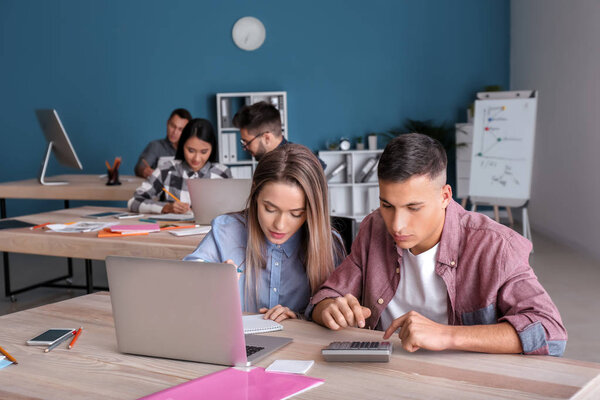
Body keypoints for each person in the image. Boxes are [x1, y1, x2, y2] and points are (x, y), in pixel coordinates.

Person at [309, 133, 567, 356]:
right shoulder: (373, 227)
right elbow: (326, 295)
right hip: (384, 373)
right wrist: (328, 308)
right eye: (387, 205)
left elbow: (550, 332)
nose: (397, 225)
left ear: (445, 196)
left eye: (413, 208)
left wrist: (446, 336)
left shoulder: (495, 245)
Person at [184, 144, 345, 321]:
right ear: (255, 193)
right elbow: (187, 279)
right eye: (269, 209)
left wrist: (300, 319)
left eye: (296, 214)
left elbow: (335, 310)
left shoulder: (329, 245)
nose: (280, 225)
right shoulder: (226, 230)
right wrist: (208, 278)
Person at [128, 118, 231, 214]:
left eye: (204, 152)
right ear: (182, 145)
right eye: (191, 150)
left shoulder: (222, 173)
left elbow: (235, 210)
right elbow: (133, 202)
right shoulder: (167, 170)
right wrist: (166, 207)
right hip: (171, 232)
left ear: (212, 149)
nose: (196, 158)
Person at [232, 101, 326, 168]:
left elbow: (320, 169)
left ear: (267, 138)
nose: (245, 148)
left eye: (247, 142)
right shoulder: (268, 162)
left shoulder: (297, 160)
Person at [134, 108, 192, 178]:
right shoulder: (156, 146)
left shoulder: (191, 150)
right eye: (173, 126)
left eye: (180, 129)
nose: (175, 132)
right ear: (167, 123)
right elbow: (139, 167)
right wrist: (145, 171)